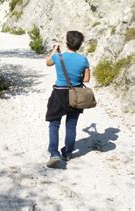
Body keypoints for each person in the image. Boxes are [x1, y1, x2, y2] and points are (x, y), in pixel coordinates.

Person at [45, 30, 90, 168]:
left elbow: (47, 63)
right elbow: (87, 79)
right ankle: (67, 153)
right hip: (75, 94)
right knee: (71, 125)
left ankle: (54, 153)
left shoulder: (59, 57)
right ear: (80, 44)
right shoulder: (83, 59)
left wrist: (54, 50)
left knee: (54, 123)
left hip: (59, 93)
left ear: (67, 42)